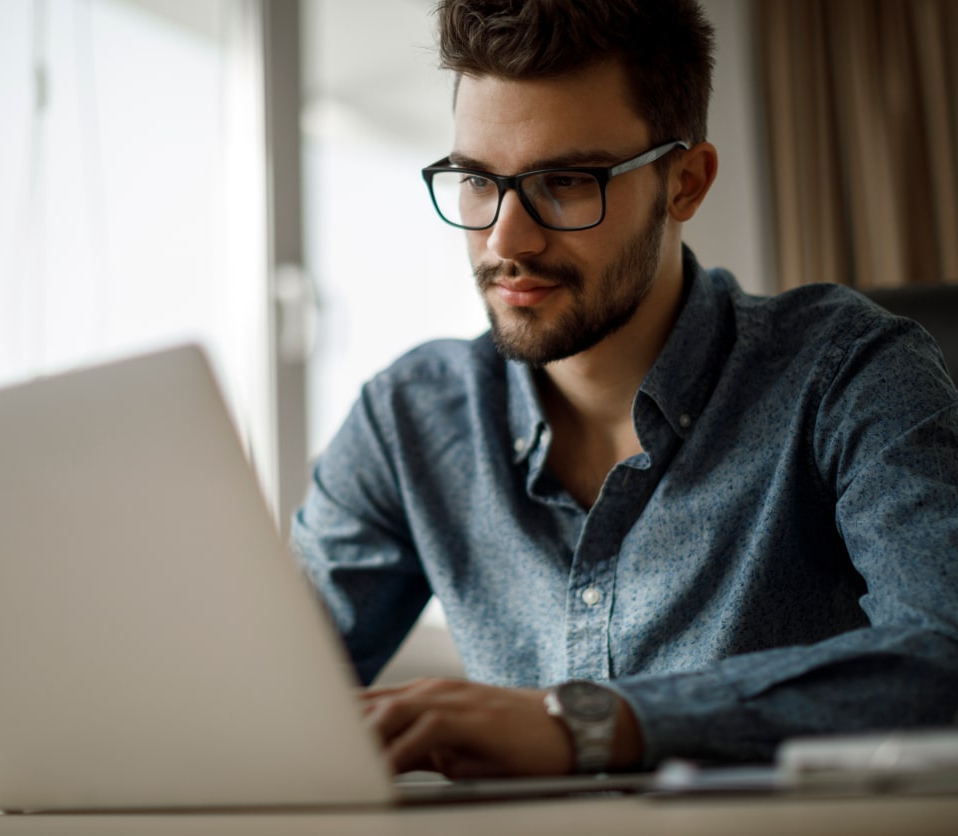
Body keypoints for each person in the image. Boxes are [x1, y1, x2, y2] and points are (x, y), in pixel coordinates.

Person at [291, 0, 958, 779]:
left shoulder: (848, 369)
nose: (506, 238)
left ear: (685, 183)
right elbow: (251, 695)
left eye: (566, 181)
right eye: (476, 180)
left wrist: (589, 726)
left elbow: (944, 648)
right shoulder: (406, 418)